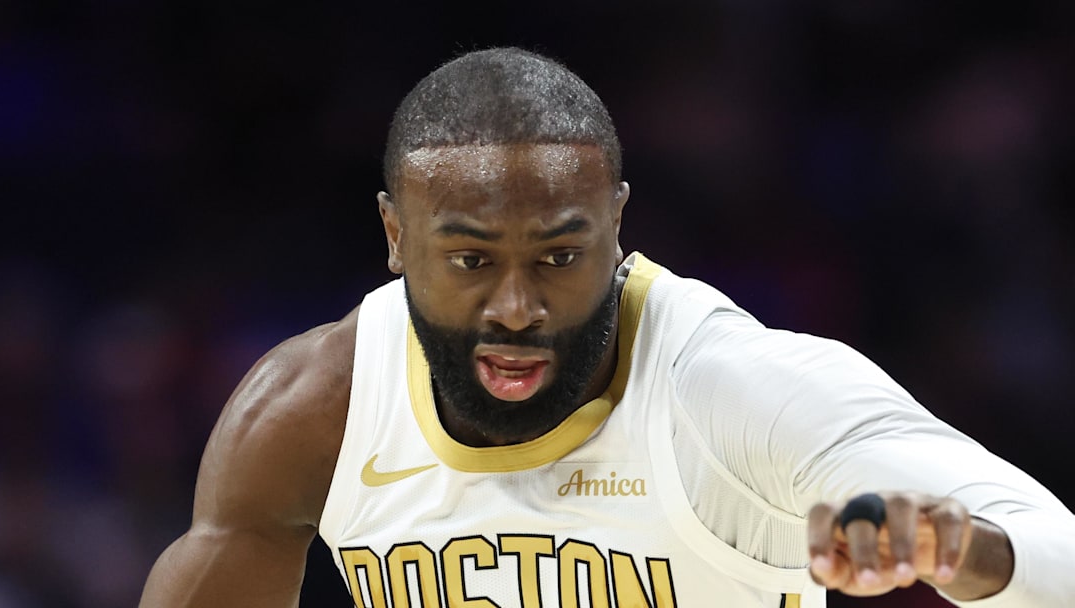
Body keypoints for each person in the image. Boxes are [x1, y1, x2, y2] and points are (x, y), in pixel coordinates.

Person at [140, 47, 1075, 607]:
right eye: (471, 260)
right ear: (396, 235)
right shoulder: (317, 409)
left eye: (557, 255)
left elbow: (1055, 548)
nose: (516, 307)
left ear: (616, 226)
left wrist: (966, 552)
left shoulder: (729, 386)